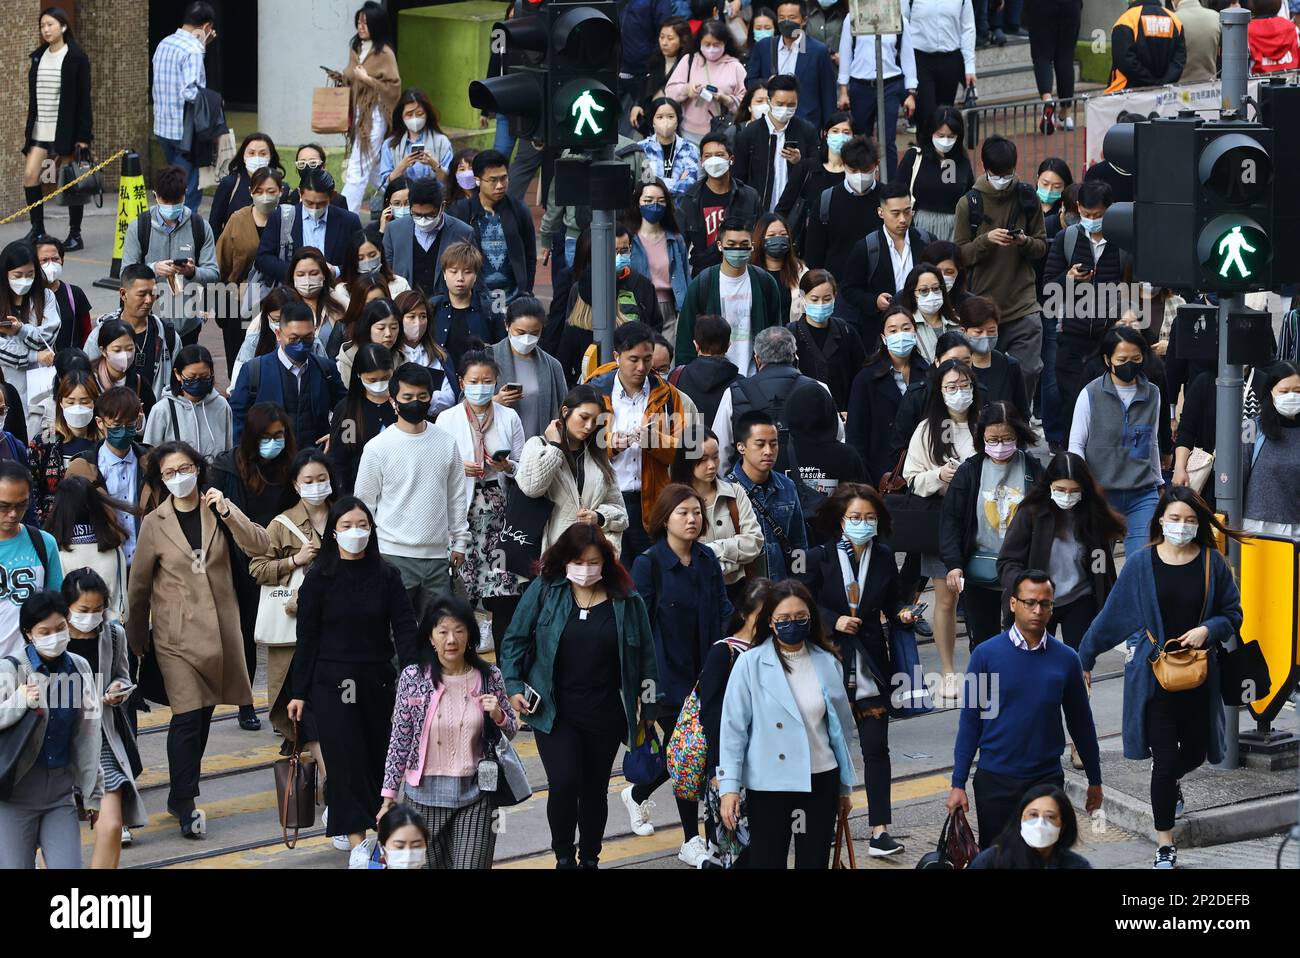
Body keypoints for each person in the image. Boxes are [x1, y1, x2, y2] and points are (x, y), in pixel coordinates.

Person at [1079, 488, 1243, 869]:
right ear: (1160, 521)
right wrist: (1084, 657)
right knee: (1166, 762)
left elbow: (1233, 614)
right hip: (1155, 680)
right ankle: (1165, 846)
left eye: (1189, 520)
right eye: (1174, 518)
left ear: (1199, 524)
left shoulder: (1211, 563)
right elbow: (1111, 618)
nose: (1182, 526)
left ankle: (1169, 784)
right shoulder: (1141, 565)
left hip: (1201, 677)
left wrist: (1208, 629)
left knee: (1197, 753)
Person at [127, 441, 271, 837]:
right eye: (170, 473)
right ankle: (184, 799)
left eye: (185, 468)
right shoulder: (154, 524)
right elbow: (138, 588)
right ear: (160, 478)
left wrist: (227, 510)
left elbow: (261, 544)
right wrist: (135, 642)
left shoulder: (217, 509)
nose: (179, 478)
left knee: (204, 715)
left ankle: (182, 790)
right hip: (175, 638)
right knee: (187, 716)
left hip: (221, 634)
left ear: (198, 469)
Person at [499, 523, 659, 867]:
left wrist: (649, 705)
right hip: (554, 712)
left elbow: (646, 655)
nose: (586, 569)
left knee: (594, 789)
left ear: (606, 561)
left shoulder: (627, 600)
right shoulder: (546, 590)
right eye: (578, 561)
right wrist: (512, 686)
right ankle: (563, 857)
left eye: (593, 561)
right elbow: (514, 640)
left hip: (605, 712)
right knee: (564, 782)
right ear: (563, 559)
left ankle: (589, 857)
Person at [287, 495, 419, 851]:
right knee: (345, 762)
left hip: (377, 680)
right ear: (333, 533)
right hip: (333, 684)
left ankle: (380, 833)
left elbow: (405, 630)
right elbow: (307, 639)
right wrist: (298, 693)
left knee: (378, 759)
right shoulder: (318, 579)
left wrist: (413, 679)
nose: (355, 532)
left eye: (362, 525)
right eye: (346, 526)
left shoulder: (387, 576)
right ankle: (359, 842)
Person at [947, 570, 1103, 848]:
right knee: (998, 859)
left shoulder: (1067, 659)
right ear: (1013, 604)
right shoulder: (985, 655)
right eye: (1030, 602)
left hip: (1046, 781)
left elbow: (1081, 722)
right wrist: (958, 784)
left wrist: (1095, 779)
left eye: (1045, 604)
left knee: (1045, 858)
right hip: (995, 781)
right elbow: (971, 722)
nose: (1038, 610)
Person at [800, 484, 918, 854]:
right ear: (840, 520)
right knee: (823, 749)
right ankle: (818, 825)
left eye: (869, 518)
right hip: (826, 661)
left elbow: (894, 596)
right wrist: (833, 620)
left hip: (869, 661)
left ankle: (879, 829)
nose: (863, 523)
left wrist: (902, 611)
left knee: (875, 747)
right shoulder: (817, 557)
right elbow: (799, 605)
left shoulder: (883, 557)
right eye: (855, 518)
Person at [623, 484, 733, 865]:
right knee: (688, 754)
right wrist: (639, 685)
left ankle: (639, 794)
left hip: (707, 675)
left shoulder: (706, 559)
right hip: (666, 678)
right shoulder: (648, 563)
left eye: (696, 513)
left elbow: (723, 610)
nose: (692, 519)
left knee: (698, 756)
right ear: (664, 519)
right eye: (683, 513)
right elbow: (636, 627)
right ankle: (692, 839)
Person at [718, 579, 857, 869]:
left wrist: (844, 787)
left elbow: (841, 731)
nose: (791, 624)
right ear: (770, 621)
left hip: (819, 780)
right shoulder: (750, 664)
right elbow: (733, 731)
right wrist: (729, 787)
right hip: (769, 784)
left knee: (813, 862)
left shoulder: (827, 661)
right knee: (768, 861)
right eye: (783, 619)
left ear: (811, 619)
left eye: (800, 618)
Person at [376, 595, 516, 869]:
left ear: (470, 636)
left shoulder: (490, 677)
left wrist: (498, 714)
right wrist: (388, 798)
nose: (451, 639)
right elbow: (400, 741)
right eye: (443, 632)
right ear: (430, 637)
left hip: (476, 795)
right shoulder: (413, 678)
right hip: (421, 798)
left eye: (459, 630)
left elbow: (510, 730)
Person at [355, 364, 469, 620]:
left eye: (422, 397)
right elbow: (364, 504)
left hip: (439, 557)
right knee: (395, 633)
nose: (415, 403)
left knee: (438, 631)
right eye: (407, 397)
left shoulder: (446, 442)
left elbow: (456, 498)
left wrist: (460, 542)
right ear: (393, 400)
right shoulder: (377, 448)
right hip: (392, 554)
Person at [211, 401, 297, 731]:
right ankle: (245, 703)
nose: (273, 442)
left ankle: (287, 701)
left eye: (279, 435)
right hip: (239, 560)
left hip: (280, 557)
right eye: (266, 436)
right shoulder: (227, 467)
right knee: (244, 633)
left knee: (286, 631)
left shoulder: (289, 466)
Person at [0, 588, 100, 868]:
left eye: (60, 628)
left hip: (59, 794)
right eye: (45, 632)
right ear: (28, 633)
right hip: (14, 797)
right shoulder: (10, 670)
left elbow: (88, 735)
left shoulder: (80, 668)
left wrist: (93, 793)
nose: (55, 637)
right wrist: (19, 700)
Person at [434, 349, 526, 651]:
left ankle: (504, 667)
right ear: (462, 382)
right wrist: (459, 467)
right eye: (474, 380)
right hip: (461, 511)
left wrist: (507, 466)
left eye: (488, 380)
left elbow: (525, 468)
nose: (481, 386)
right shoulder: (446, 419)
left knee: (503, 591)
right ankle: (460, 656)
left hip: (499, 508)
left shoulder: (508, 416)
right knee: (462, 591)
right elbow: (434, 466)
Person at [246, 449, 332, 763]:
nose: (316, 486)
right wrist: (295, 560)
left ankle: (331, 781)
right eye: (308, 480)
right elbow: (257, 569)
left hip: (337, 628)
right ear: (295, 485)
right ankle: (329, 782)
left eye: (322, 479)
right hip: (296, 634)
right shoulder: (282, 525)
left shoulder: (344, 517)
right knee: (305, 705)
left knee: (331, 704)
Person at [903, 358, 979, 698]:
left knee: (981, 598)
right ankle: (948, 671)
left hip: (983, 521)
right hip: (941, 521)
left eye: (964, 385)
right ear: (939, 390)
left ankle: (985, 663)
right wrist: (939, 476)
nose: (959, 393)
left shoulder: (985, 423)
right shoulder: (926, 429)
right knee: (945, 600)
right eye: (951, 387)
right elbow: (911, 477)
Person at [953, 134, 1048, 404]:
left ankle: (1019, 427)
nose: (1004, 179)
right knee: (981, 379)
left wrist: (1024, 241)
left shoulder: (1028, 197)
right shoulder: (968, 203)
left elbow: (1041, 247)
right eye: (998, 174)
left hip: (1023, 306)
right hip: (982, 307)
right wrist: (986, 240)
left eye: (1009, 174)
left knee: (1027, 371)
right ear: (984, 168)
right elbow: (959, 254)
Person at [587, 322, 691, 564]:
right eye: (633, 359)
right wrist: (611, 444)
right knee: (612, 577)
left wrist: (655, 442)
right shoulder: (594, 393)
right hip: (607, 500)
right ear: (617, 357)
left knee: (652, 578)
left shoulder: (668, 395)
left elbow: (686, 452)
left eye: (647, 359)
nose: (642, 367)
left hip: (653, 502)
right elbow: (579, 446)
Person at [60, 568, 144, 866]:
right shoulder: (50, 636)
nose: (91, 617)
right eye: (83, 610)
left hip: (102, 738)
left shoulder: (112, 633)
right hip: (58, 742)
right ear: (66, 608)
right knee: (56, 835)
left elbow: (123, 675)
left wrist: (117, 689)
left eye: (98, 609)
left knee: (110, 825)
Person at [940, 401, 1039, 647]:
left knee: (1021, 642)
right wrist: (954, 564)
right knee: (984, 644)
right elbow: (951, 520)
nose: (999, 446)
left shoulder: (1033, 469)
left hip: (1020, 571)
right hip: (978, 573)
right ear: (982, 437)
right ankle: (985, 685)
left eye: (1007, 438)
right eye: (992, 440)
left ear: (1018, 435)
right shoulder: (970, 471)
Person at [1069, 326, 1167, 560]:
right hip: (1101, 495)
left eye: (1136, 358)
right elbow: (1076, 445)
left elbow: (1151, 440)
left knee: (1141, 561)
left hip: (1142, 493)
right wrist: (1088, 486)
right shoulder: (1090, 394)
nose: (1129, 364)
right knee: (1097, 566)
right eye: (1122, 359)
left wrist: (1159, 481)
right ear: (1107, 359)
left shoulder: (1152, 393)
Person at [1044, 180, 1135, 425]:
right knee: (1073, 403)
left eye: (1098, 215)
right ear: (1078, 208)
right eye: (1085, 214)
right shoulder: (1067, 238)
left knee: (1105, 405)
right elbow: (1047, 287)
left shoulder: (1124, 242)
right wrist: (1068, 278)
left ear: (1110, 210)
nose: (1091, 219)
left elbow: (1134, 287)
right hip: (1071, 336)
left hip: (1108, 339)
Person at [516, 385, 629, 558]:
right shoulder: (537, 445)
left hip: (589, 556)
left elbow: (620, 513)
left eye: (595, 421)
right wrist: (554, 446)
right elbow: (532, 488)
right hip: (548, 554)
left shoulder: (599, 457)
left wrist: (598, 516)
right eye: (584, 417)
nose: (589, 426)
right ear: (566, 411)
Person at [120, 165, 217, 350]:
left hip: (188, 323)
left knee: (184, 374)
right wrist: (153, 269)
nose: (171, 207)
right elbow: (125, 273)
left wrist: (192, 272)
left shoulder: (200, 227)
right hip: (146, 322)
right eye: (166, 201)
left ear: (185, 194)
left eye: (176, 200)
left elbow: (213, 273)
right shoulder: (139, 227)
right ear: (155, 196)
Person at [229, 301, 347, 449]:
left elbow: (349, 410)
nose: (301, 345)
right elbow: (237, 421)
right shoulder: (254, 371)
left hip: (314, 460)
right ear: (279, 334)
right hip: (269, 462)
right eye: (294, 339)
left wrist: (338, 437)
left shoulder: (326, 370)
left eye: (308, 338)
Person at [23, 7, 92, 250]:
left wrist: (84, 137)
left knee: (72, 180)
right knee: (31, 175)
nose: (45, 29)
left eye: (50, 24)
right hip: (41, 129)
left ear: (63, 27)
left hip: (67, 130)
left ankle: (75, 234)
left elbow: (84, 100)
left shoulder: (76, 57)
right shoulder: (38, 56)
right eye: (42, 25)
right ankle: (38, 230)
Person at [676, 216, 782, 373]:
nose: (737, 250)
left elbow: (775, 333)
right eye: (731, 244)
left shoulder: (765, 282)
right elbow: (685, 338)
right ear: (720, 245)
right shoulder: (702, 284)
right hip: (713, 378)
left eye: (744, 244)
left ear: (752, 246)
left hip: (755, 378)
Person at [324, 2, 401, 213]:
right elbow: (352, 75)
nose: (361, 26)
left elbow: (393, 88)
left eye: (366, 23)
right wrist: (343, 78)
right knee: (375, 168)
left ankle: (346, 216)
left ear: (376, 25)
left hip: (375, 114)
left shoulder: (384, 53)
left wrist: (367, 79)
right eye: (359, 22)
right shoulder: (356, 48)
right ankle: (403, 198)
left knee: (357, 169)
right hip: (358, 112)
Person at [842, 181, 937, 345]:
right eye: (895, 213)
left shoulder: (926, 241)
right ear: (881, 212)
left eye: (908, 212)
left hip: (923, 327)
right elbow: (849, 289)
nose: (903, 219)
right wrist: (874, 301)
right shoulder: (867, 247)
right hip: (882, 330)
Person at [670, 428, 763, 595]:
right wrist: (732, 562)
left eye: (715, 457)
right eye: (703, 459)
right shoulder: (672, 501)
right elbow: (678, 555)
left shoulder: (734, 493)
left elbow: (755, 541)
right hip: (694, 591)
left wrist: (712, 550)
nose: (712, 465)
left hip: (737, 590)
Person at [64, 387, 150, 568]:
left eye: (130, 425)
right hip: (103, 563)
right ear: (100, 423)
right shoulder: (81, 468)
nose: (124, 432)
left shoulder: (151, 463)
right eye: (117, 426)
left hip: (146, 563)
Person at [847, 305, 930, 484]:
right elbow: (856, 434)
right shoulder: (866, 378)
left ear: (915, 332)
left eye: (906, 328)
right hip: (880, 472)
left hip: (922, 471)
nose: (900, 334)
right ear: (884, 338)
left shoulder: (929, 374)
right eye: (893, 330)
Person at [448, 149, 536, 315]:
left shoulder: (519, 210)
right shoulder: (461, 211)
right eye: (493, 180)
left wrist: (526, 289)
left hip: (514, 299)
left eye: (504, 178)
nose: (500, 185)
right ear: (477, 180)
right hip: (475, 298)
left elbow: (530, 255)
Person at [723, 409, 807, 580]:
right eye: (760, 444)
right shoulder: (725, 490)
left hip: (782, 591)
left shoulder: (787, 486)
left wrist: (800, 585)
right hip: (745, 593)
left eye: (774, 444)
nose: (768, 451)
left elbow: (799, 544)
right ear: (741, 447)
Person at [215, 168, 285, 370]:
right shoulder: (237, 220)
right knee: (239, 362)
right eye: (259, 190)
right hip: (240, 302)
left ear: (281, 191)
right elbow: (222, 262)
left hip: (278, 300)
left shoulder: (288, 219)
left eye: (271, 191)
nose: (265, 197)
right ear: (251, 192)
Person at [151, 2, 215, 213]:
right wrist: (213, 100)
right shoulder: (193, 51)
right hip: (185, 134)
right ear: (206, 27)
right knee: (187, 190)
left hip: (163, 128)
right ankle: (183, 234)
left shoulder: (165, 43)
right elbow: (190, 90)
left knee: (174, 185)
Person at [836, 14, 917, 181]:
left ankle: (890, 186)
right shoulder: (852, 17)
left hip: (890, 84)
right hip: (861, 85)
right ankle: (861, 180)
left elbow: (907, 55)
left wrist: (911, 92)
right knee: (860, 139)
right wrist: (844, 91)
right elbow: (845, 53)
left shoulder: (898, 18)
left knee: (888, 141)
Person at [83, 265, 175, 408]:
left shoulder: (167, 334)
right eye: (142, 294)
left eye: (153, 294)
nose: (149, 300)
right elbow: (85, 379)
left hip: (155, 420)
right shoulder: (101, 335)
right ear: (123, 294)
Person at [46, 476, 131, 629]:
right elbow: (122, 603)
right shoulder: (114, 550)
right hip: (109, 634)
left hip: (68, 635)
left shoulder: (55, 552)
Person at [253, 168, 365, 285]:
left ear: (332, 196)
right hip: (291, 291)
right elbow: (262, 259)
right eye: (309, 203)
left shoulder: (349, 221)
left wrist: (336, 271)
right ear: (300, 194)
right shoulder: (280, 218)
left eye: (321, 203)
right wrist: (296, 273)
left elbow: (360, 259)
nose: (314, 209)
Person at [677, 132, 764, 275]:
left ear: (731, 159)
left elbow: (760, 238)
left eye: (719, 155)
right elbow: (680, 247)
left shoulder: (749, 196)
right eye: (708, 156)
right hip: (704, 275)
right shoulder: (690, 199)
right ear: (702, 161)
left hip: (744, 271)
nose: (714, 160)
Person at [0, 461, 63, 658]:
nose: (13, 514)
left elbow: (56, 605)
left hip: (32, 665)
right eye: (4, 506)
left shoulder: (43, 543)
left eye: (21, 505)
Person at [733, 74, 821, 213]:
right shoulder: (749, 134)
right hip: (758, 212)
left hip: (794, 212)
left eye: (791, 105)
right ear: (769, 101)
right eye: (780, 104)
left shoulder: (806, 131)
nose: (785, 109)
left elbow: (818, 169)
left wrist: (800, 162)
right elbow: (738, 178)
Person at [384, 178, 477, 302]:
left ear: (442, 207)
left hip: (447, 308)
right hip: (406, 309)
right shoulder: (394, 230)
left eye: (429, 215)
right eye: (417, 215)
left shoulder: (463, 232)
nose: (423, 220)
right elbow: (386, 272)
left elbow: (474, 276)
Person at [747, 1, 838, 129]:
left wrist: (829, 127)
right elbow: (750, 81)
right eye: (782, 18)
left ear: (804, 20)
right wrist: (768, 83)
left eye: (792, 18)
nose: (786, 22)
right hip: (770, 121)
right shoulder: (764, 47)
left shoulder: (817, 51)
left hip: (806, 123)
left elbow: (828, 93)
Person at [801, 135, 881, 280]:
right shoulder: (826, 201)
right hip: (838, 286)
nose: (860, 176)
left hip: (880, 287)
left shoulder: (888, 199)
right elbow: (814, 254)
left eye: (866, 170)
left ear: (877, 165)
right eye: (853, 170)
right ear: (844, 165)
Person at [0, 240, 59, 426]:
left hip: (42, 385)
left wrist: (21, 330)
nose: (24, 280)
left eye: (30, 274)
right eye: (17, 275)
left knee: (40, 432)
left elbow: (48, 336)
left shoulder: (46, 297)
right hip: (7, 383)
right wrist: (34, 356)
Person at [775, 110, 853, 251]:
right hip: (807, 247)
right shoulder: (807, 168)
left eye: (846, 133)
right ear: (825, 134)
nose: (840, 136)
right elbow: (783, 208)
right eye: (835, 131)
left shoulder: (856, 174)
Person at [902, 0, 977, 145]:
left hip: (950, 58)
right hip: (920, 59)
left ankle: (944, 159)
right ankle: (925, 159)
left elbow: (968, 28)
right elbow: (902, 24)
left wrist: (969, 66)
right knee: (925, 115)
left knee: (945, 116)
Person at [786, 269, 862, 408]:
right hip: (802, 414)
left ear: (835, 296)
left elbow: (860, 375)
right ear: (802, 297)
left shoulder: (846, 331)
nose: (821, 304)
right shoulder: (789, 335)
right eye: (814, 299)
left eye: (827, 299)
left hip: (842, 413)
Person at [897, 107, 975, 242]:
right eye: (940, 135)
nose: (945, 140)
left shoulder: (961, 161)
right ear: (931, 133)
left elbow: (969, 195)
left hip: (953, 231)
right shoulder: (914, 157)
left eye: (951, 136)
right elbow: (897, 190)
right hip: (919, 229)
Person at [327, 343, 397, 495]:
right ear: (359, 375)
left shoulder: (400, 403)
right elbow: (343, 454)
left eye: (385, 378)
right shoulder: (350, 411)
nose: (379, 384)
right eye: (372, 380)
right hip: (360, 490)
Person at [968, 784, 1092, 869]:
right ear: (1021, 819)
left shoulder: (1076, 865)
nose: (1039, 824)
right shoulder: (992, 861)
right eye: (1033, 815)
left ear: (1063, 825)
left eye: (1050, 817)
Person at [32, 370, 100, 523]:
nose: (77, 407)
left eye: (84, 402)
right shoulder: (44, 443)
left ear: (94, 402)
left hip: (95, 526)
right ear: (61, 403)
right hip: (53, 527)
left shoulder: (103, 444)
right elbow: (32, 487)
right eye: (70, 402)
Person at [665, 20, 747, 145]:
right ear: (699, 43)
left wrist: (726, 99)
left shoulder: (735, 66)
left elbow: (746, 103)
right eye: (707, 44)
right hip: (689, 132)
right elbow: (670, 91)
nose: (711, 49)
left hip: (722, 132)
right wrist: (687, 90)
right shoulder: (689, 61)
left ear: (724, 43)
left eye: (716, 44)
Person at [143, 344, 231, 461]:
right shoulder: (162, 410)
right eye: (192, 376)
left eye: (204, 376)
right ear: (178, 374)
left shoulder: (222, 405)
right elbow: (150, 455)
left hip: (214, 477)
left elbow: (227, 448)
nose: (198, 381)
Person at [1243, 361, 1300, 539]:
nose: (1291, 397)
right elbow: (1237, 476)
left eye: (1297, 391)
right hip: (1256, 529)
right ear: (1271, 391)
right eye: (1284, 391)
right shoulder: (1250, 426)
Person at [629, 178, 691, 342]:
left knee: (666, 362)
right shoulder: (628, 240)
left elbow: (686, 277)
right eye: (648, 201)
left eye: (660, 201)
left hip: (668, 309)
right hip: (635, 308)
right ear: (638, 202)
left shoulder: (675, 240)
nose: (654, 206)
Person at [785, 378, 865, 495]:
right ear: (830, 412)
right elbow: (861, 498)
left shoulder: (778, 454)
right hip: (835, 513)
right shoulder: (847, 456)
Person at [956, 296, 1031, 417]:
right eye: (978, 332)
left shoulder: (1010, 366)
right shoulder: (956, 367)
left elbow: (1022, 412)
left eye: (991, 331)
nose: (985, 336)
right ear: (964, 331)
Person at [668, 315, 742, 427]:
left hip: (689, 442)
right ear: (728, 346)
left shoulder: (677, 376)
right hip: (725, 444)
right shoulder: (741, 384)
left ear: (696, 345)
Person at [209, 132, 283, 241]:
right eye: (251, 153)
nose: (257, 158)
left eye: (263, 154)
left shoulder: (281, 187)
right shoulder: (230, 184)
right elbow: (214, 224)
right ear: (243, 156)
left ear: (270, 156)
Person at [377, 88, 454, 192]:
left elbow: (450, 181)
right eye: (409, 114)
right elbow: (385, 184)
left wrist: (434, 164)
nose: (414, 118)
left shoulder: (441, 142)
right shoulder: (390, 144)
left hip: (435, 201)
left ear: (427, 114)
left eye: (419, 114)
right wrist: (401, 167)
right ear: (401, 116)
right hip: (403, 202)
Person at [1104, 1, 1187, 93]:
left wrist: (1150, 82)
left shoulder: (1127, 19)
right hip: (1163, 95)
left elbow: (1124, 60)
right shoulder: (1174, 20)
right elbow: (1179, 60)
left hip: (1127, 94)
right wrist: (1162, 83)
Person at [630, 17, 693, 134]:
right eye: (661, 37)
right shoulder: (654, 61)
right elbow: (644, 90)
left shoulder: (689, 63)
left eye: (670, 38)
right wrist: (637, 105)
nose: (664, 43)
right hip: (651, 120)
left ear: (683, 40)